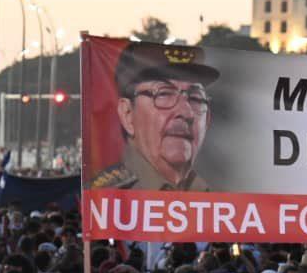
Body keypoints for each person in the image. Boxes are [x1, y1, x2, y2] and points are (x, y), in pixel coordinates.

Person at [89, 42, 219, 191]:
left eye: (196, 98)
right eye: (164, 94)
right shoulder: (104, 198)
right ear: (128, 114)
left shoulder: (222, 202)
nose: (186, 112)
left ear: (207, 119)